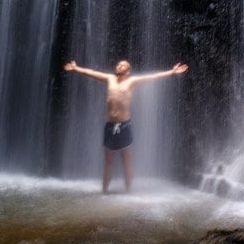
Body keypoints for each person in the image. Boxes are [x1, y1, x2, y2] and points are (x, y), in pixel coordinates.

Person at [63, 59, 189, 193]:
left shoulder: (131, 81)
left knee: (126, 161)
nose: (118, 66)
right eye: (118, 64)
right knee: (108, 161)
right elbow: (92, 73)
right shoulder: (109, 78)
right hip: (110, 125)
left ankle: (128, 192)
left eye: (122, 65)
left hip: (124, 125)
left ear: (128, 71)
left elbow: (151, 77)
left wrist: (171, 72)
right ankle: (104, 192)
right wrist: (76, 69)